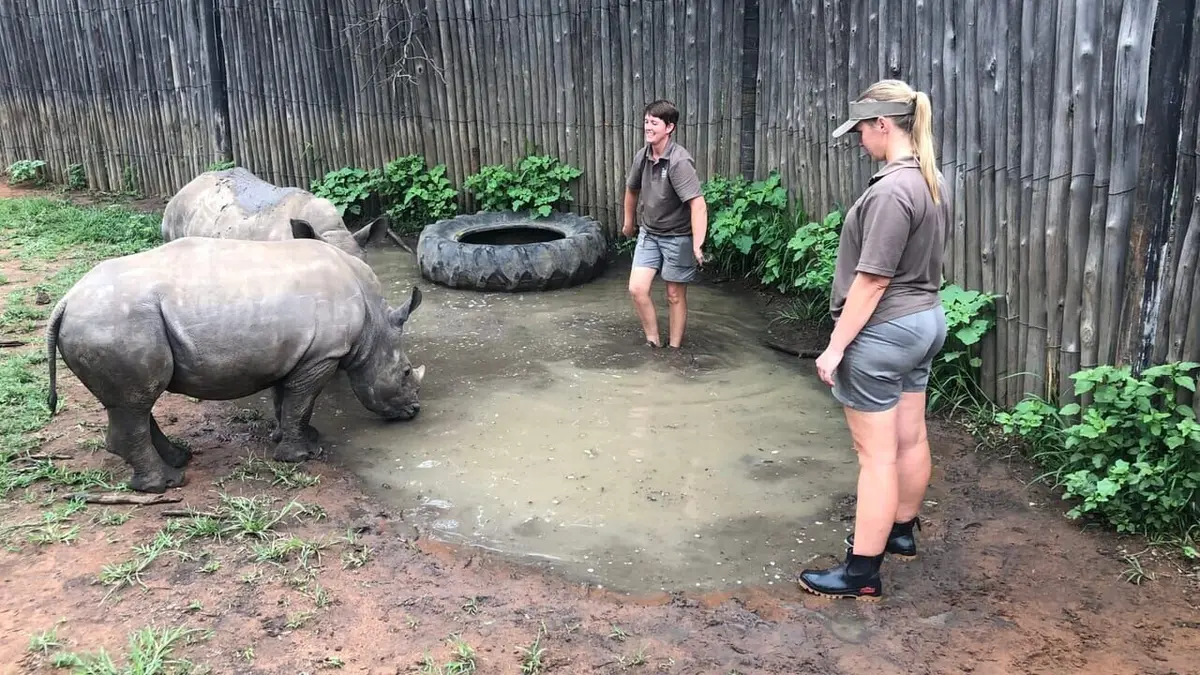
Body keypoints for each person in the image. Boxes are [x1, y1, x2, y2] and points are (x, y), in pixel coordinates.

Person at [797, 79, 950, 601]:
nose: (861, 139)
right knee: (911, 436)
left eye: (862, 130)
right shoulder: (930, 179)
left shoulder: (890, 191)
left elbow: (873, 279)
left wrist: (836, 347)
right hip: (925, 321)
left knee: (876, 457)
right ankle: (901, 531)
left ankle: (862, 572)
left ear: (883, 125)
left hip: (884, 332)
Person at [622, 99, 708, 349]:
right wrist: (629, 223)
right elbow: (631, 189)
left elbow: (698, 205)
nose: (648, 127)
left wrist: (697, 245)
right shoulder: (643, 155)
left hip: (678, 236)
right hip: (649, 232)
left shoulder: (679, 162)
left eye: (654, 123)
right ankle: (653, 342)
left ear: (669, 127)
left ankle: (674, 349)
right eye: (646, 122)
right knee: (637, 289)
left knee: (674, 295)